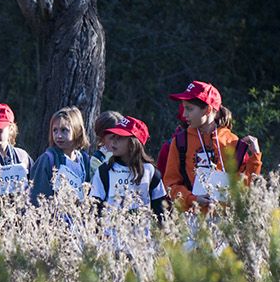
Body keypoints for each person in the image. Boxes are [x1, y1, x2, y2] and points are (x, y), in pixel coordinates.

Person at [162, 82, 263, 211]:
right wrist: (192, 199)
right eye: (184, 108)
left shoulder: (231, 141)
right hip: (192, 219)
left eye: (189, 109)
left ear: (208, 109)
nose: (184, 114)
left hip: (226, 220)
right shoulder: (180, 142)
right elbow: (170, 184)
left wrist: (255, 157)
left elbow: (246, 186)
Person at [91, 112, 167, 219]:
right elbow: (94, 207)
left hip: (141, 234)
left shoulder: (150, 172)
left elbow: (160, 211)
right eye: (113, 136)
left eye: (120, 137)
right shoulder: (104, 170)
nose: (114, 141)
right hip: (109, 234)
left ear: (134, 143)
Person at [29, 107, 96, 205]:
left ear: (77, 131)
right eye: (55, 130)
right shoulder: (47, 159)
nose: (58, 136)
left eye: (64, 130)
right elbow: (37, 197)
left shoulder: (83, 160)